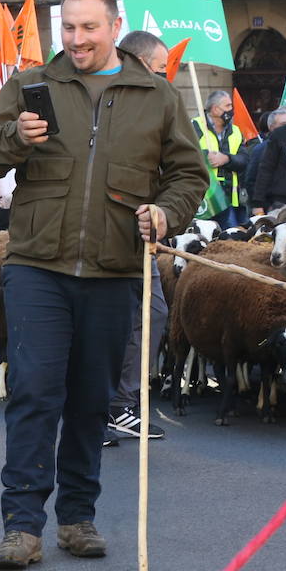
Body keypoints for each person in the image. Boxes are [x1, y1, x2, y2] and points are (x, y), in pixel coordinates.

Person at [0, 0, 207, 570]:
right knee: (32, 393)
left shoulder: (156, 95)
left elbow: (188, 176)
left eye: (88, 27)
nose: (76, 38)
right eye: (68, 27)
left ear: (113, 25)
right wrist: (12, 136)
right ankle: (22, 526)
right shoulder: (31, 84)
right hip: (36, 266)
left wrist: (165, 212)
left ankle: (78, 516)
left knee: (91, 400)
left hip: (115, 270)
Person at [107, 30, 172, 444]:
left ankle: (121, 404)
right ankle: (95, 410)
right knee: (103, 325)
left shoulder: (159, 107)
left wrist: (166, 209)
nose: (167, 78)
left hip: (140, 235)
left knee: (152, 314)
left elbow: (178, 169)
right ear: (141, 64)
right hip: (104, 238)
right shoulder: (109, 104)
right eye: (162, 69)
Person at [194, 90, 248, 227]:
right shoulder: (194, 126)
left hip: (231, 199)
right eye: (228, 106)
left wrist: (227, 159)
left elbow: (244, 159)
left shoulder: (235, 131)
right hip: (205, 199)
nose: (231, 110)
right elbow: (183, 153)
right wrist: (205, 155)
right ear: (215, 109)